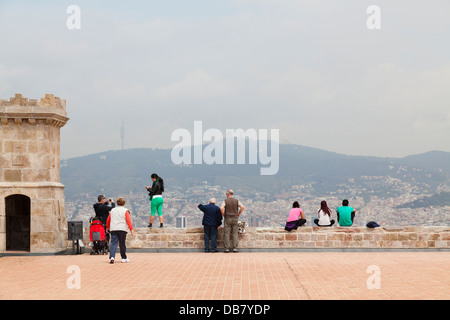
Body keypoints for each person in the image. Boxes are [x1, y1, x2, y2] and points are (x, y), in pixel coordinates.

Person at [106, 197, 134, 264]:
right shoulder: (125, 210)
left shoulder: (112, 210)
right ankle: (123, 258)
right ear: (124, 203)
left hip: (114, 228)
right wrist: (131, 229)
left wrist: (107, 227)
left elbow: (108, 220)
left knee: (113, 243)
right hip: (122, 228)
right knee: (122, 243)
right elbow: (128, 220)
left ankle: (112, 257)